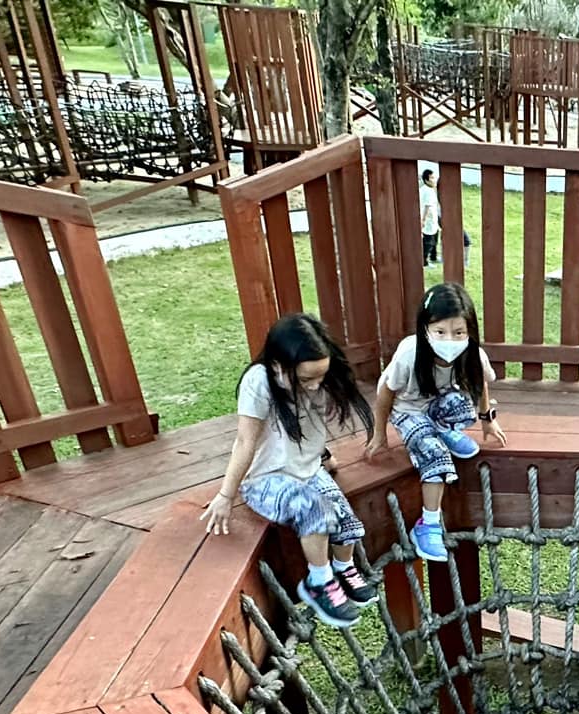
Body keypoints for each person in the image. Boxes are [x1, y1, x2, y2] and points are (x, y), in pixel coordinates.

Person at [202, 313, 376, 629]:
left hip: (308, 469)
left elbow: (305, 424)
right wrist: (226, 495)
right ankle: (319, 581)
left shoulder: (319, 378)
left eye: (320, 376)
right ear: (279, 366)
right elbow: (245, 441)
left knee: (346, 519)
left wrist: (323, 455)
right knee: (315, 510)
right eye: (307, 378)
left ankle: (344, 567)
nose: (315, 384)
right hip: (267, 480)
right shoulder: (259, 382)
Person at [364, 283, 508, 563]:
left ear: (470, 331)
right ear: (425, 329)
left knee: (461, 406)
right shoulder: (410, 353)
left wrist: (487, 419)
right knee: (435, 456)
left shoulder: (472, 353)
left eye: (458, 332)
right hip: (407, 409)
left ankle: (442, 429)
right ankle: (427, 525)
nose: (449, 340)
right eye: (440, 332)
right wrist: (380, 433)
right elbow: (385, 393)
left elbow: (479, 383)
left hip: (436, 404)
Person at [420, 169, 442, 266]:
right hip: (429, 220)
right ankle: (424, 261)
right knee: (429, 242)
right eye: (432, 178)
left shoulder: (425, 189)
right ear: (426, 180)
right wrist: (423, 220)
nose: (434, 180)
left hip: (433, 219)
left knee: (435, 238)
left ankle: (433, 257)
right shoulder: (428, 191)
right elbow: (427, 207)